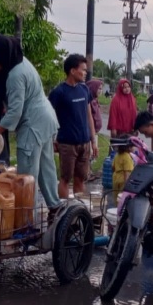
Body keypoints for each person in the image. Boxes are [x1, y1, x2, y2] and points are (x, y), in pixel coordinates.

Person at [0, 35, 62, 215]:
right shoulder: (20, 61)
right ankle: (55, 208)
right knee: (45, 170)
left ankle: (26, 222)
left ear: (3, 57)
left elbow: (14, 113)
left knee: (26, 177)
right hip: (45, 119)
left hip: (32, 125)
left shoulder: (15, 75)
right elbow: (15, 95)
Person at [48, 54, 99, 199]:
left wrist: (93, 141)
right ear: (72, 71)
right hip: (67, 144)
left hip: (84, 143)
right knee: (65, 179)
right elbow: (50, 117)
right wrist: (53, 138)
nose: (85, 73)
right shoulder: (59, 92)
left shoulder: (84, 90)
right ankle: (63, 212)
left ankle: (78, 210)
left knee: (80, 178)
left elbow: (89, 116)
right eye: (83, 70)